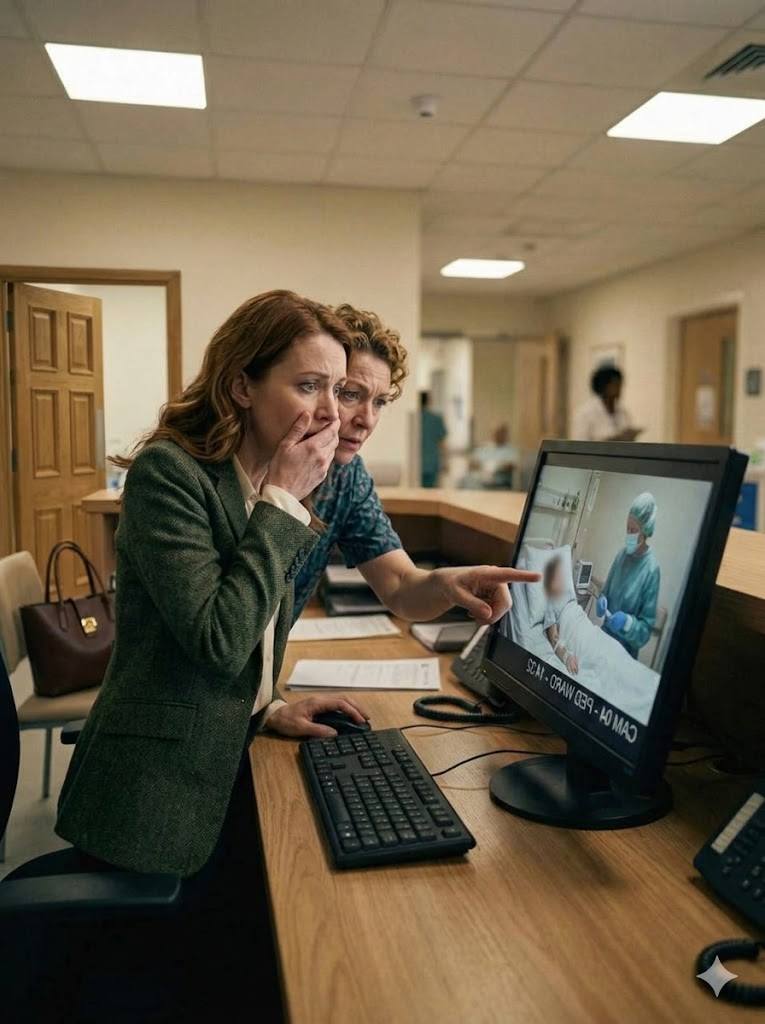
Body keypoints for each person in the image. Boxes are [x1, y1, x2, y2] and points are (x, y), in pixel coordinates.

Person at [294, 305, 539, 624]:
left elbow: (399, 586)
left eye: (380, 402)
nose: (367, 420)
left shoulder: (346, 478)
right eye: (351, 394)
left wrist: (447, 584)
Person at [598, 492, 661, 660]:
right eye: (627, 529)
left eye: (633, 530)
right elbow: (605, 591)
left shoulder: (651, 569)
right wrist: (602, 599)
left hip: (624, 652)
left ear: (645, 531)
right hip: (604, 639)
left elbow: (645, 631)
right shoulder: (621, 556)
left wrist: (627, 623)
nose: (629, 534)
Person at [572, 366, 641, 443]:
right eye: (615, 385)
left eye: (620, 385)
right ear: (603, 386)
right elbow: (580, 445)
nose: (619, 389)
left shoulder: (623, 412)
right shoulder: (585, 414)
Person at [542, 555, 579, 675]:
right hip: (577, 638)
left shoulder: (569, 595)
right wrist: (566, 657)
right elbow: (554, 639)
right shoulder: (550, 602)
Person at [419, 391, 447, 487]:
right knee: (431, 492)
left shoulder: (415, 419)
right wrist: (445, 462)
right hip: (432, 463)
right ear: (429, 401)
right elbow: (442, 444)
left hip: (418, 463)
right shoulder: (436, 419)